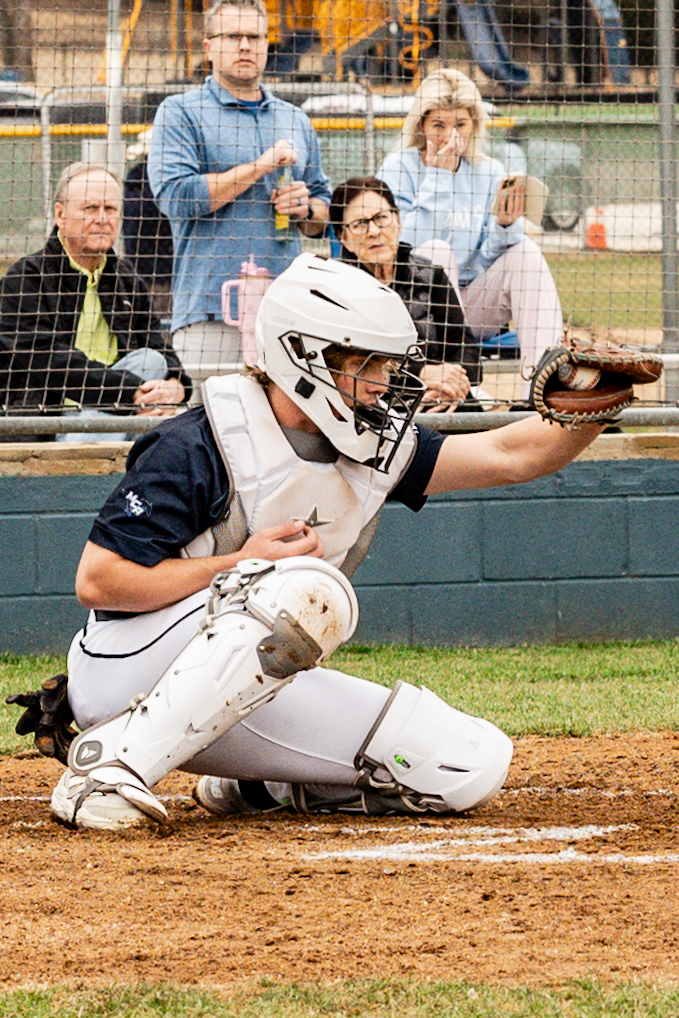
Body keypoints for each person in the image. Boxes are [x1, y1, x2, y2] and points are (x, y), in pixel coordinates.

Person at [46, 252, 606, 832]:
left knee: (467, 764)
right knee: (303, 586)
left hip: (247, 691)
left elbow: (510, 455)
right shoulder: (197, 444)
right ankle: (106, 765)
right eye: (367, 365)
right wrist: (241, 563)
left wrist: (596, 406)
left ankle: (260, 786)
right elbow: (98, 581)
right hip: (125, 668)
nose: (384, 385)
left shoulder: (372, 442)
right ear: (302, 359)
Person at [147, 0, 332, 383]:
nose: (245, 46)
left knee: (284, 434)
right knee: (207, 432)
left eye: (255, 37)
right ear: (208, 46)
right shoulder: (180, 111)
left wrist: (305, 210)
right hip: (210, 309)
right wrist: (261, 167)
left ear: (267, 45)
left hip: (285, 312)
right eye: (233, 36)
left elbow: (322, 208)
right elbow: (176, 197)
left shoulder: (294, 117)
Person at [377, 68, 564, 398]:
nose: (451, 137)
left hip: (470, 302)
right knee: (435, 252)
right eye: (439, 126)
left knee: (526, 253)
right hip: (414, 310)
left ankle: (540, 392)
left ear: (474, 125)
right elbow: (403, 249)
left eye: (460, 125)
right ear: (421, 125)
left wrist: (504, 227)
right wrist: (438, 178)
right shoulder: (398, 168)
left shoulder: (489, 170)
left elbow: (489, 256)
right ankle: (443, 387)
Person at [0, 162, 190, 440]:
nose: (102, 218)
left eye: (110, 209)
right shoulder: (26, 278)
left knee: (151, 360)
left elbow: (159, 345)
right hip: (50, 422)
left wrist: (176, 386)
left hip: (125, 411)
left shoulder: (127, 279)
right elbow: (46, 361)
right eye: (90, 208)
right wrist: (129, 392)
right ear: (60, 215)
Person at [329, 175, 483, 413]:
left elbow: (465, 347)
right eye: (359, 224)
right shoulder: (338, 288)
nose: (373, 231)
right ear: (343, 238)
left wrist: (449, 385)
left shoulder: (431, 276)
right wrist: (421, 374)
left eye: (381, 218)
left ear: (398, 221)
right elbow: (346, 369)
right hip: (375, 407)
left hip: (442, 402)